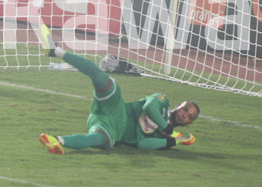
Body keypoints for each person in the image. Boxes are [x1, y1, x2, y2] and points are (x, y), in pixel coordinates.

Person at [37, 24, 199, 154]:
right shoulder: (162, 101)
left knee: (98, 140)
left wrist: (174, 141)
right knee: (104, 80)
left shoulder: (166, 139)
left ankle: (55, 140)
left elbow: (143, 144)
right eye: (185, 109)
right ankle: (55, 51)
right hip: (117, 109)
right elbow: (149, 107)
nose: (185, 115)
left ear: (189, 123)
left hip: (114, 130)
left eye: (189, 117)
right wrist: (168, 128)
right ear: (178, 106)